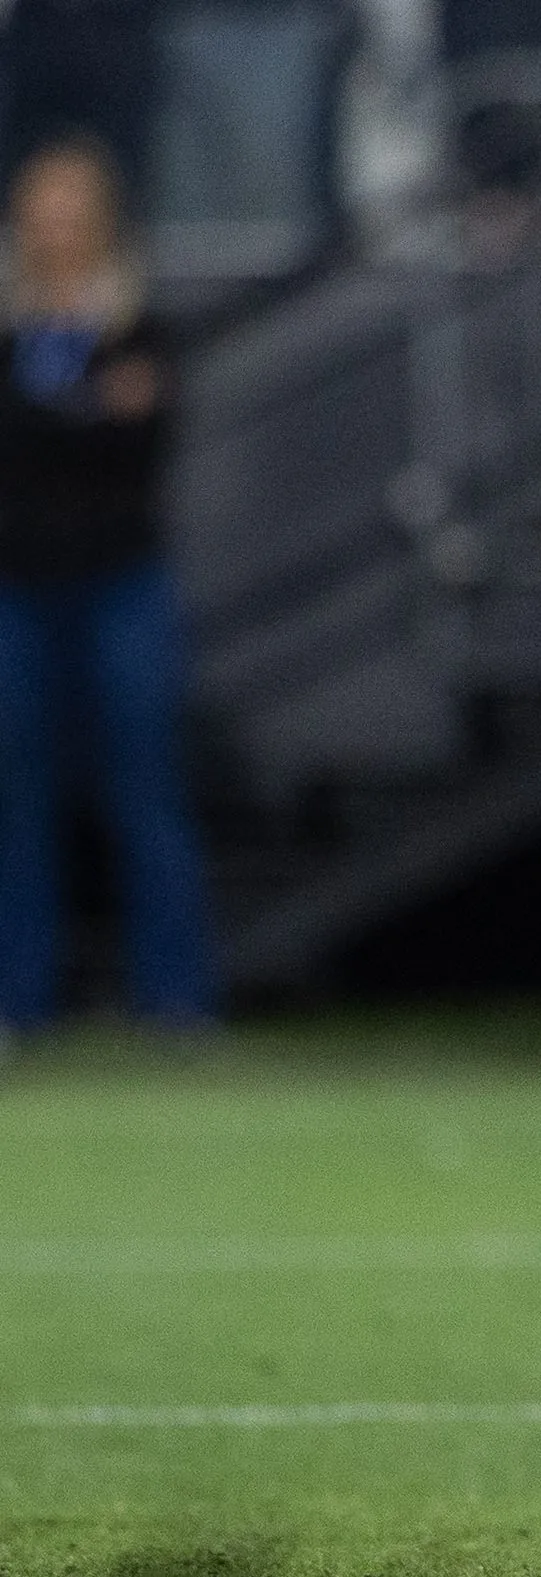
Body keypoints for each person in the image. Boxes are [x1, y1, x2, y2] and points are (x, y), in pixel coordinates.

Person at [0, 138, 218, 1035]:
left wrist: (60, 425)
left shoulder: (139, 324)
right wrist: (86, 415)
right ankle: (19, 999)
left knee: (147, 791)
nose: (56, 229)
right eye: (40, 212)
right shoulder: (11, 327)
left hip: (122, 582)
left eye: (71, 210)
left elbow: (143, 443)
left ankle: (176, 1000)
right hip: (17, 585)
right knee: (16, 797)